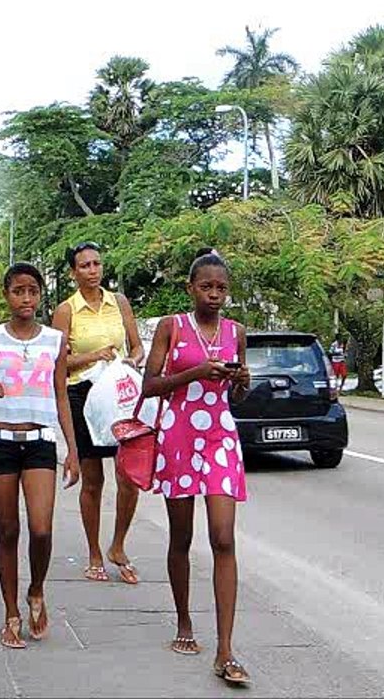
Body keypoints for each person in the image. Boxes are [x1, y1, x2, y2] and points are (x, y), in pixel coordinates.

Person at [140, 248, 252, 685]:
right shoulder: (173, 327)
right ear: (191, 288)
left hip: (221, 438)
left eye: (221, 288)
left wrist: (241, 383)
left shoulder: (236, 331)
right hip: (179, 437)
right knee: (181, 537)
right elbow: (151, 386)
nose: (214, 294)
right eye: (206, 286)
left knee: (223, 538)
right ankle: (184, 621)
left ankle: (225, 648)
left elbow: (236, 398)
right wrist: (195, 372)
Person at [0, 262, 80, 649]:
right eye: (18, 291)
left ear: (40, 295)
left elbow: (61, 394)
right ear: (7, 295)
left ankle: (36, 590)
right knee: (7, 531)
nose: (26, 298)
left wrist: (73, 450)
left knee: (41, 529)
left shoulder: (54, 340)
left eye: (32, 291)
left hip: (39, 442)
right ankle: (10, 613)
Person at [50, 241, 145, 585]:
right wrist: (94, 357)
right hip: (83, 395)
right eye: (85, 265)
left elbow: (137, 345)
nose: (93, 270)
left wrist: (130, 361)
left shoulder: (118, 302)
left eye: (96, 264)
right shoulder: (67, 310)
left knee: (129, 476)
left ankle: (118, 546)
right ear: (74, 272)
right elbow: (58, 361)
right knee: (93, 480)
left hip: (119, 394)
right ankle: (93, 553)